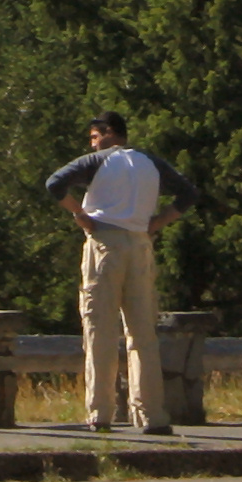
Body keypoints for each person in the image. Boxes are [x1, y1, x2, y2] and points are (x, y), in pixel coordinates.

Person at [42, 112, 196, 437]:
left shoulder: (98, 161)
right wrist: (157, 222)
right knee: (142, 333)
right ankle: (152, 413)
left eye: (95, 137)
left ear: (109, 133)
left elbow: (54, 183)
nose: (93, 144)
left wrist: (80, 214)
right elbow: (188, 195)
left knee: (100, 328)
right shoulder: (149, 162)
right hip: (140, 243)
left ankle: (100, 413)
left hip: (105, 243)